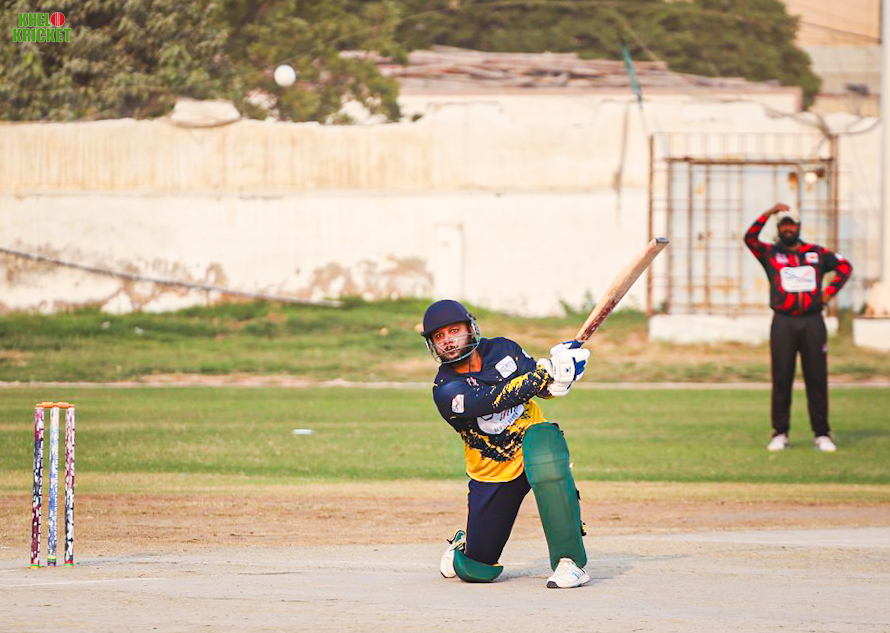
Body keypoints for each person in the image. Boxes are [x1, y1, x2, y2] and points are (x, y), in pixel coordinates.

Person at [420, 299, 591, 588]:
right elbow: (493, 399)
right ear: (433, 345)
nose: (448, 340)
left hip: (532, 441)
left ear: (470, 328)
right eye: (439, 336)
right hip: (493, 469)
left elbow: (544, 389)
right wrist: (544, 373)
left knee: (547, 455)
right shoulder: (445, 389)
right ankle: (466, 544)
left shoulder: (502, 349)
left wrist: (563, 374)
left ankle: (570, 562)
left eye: (454, 330)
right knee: (476, 568)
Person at [744, 202, 853, 452]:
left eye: (792, 224)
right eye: (784, 225)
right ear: (778, 228)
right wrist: (768, 213)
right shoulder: (771, 253)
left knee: (817, 377)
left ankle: (822, 433)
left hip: (812, 321)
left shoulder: (815, 253)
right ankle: (780, 433)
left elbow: (845, 267)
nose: (788, 229)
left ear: (799, 226)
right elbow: (749, 239)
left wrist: (829, 292)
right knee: (782, 377)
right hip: (783, 322)